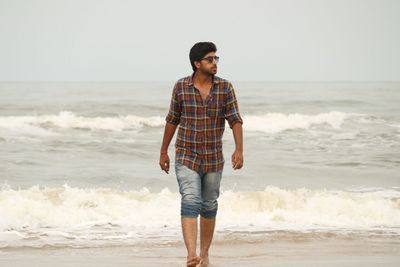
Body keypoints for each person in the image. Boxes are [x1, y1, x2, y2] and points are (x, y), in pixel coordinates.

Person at [159, 42, 243, 267]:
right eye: (209, 59)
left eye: (216, 59)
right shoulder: (181, 86)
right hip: (186, 155)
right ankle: (191, 255)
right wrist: (163, 151)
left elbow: (235, 120)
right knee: (191, 199)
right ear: (197, 63)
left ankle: (204, 254)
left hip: (214, 157)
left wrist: (239, 149)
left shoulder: (225, 88)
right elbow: (172, 119)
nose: (214, 63)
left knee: (209, 205)